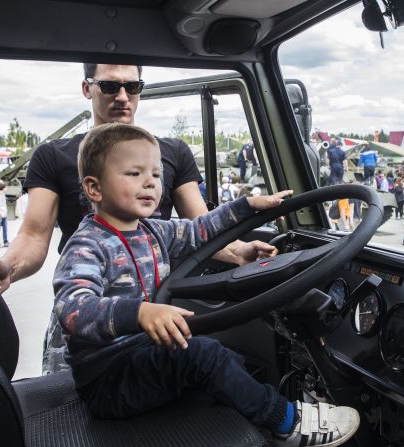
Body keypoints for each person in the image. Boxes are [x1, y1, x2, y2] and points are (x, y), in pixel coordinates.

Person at [54, 123, 359, 445]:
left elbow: (200, 230)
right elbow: (73, 308)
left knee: (224, 356)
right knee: (204, 354)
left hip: (144, 354)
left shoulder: (151, 231)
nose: (150, 182)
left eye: (156, 175)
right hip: (109, 378)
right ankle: (286, 424)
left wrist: (246, 206)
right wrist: (139, 312)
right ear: (94, 188)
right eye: (133, 173)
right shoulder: (87, 246)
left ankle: (254, 405)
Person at [0, 63, 277, 375]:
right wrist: (7, 268)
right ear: (87, 88)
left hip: (158, 308)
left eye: (132, 87)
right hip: (86, 310)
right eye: (110, 86)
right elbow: (33, 236)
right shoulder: (53, 155)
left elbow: (199, 227)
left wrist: (238, 250)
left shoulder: (172, 152)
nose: (122, 96)